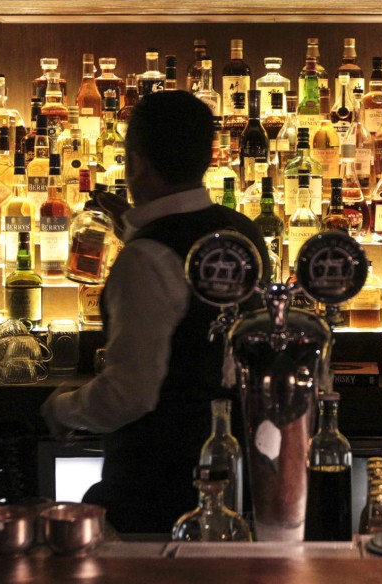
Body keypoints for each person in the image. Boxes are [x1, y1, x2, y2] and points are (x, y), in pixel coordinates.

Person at [41, 90, 269, 534]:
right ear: (208, 154)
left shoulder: (146, 257)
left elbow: (130, 394)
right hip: (238, 476)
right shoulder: (241, 231)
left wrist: (64, 409)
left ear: (137, 162)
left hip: (158, 494)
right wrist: (133, 223)